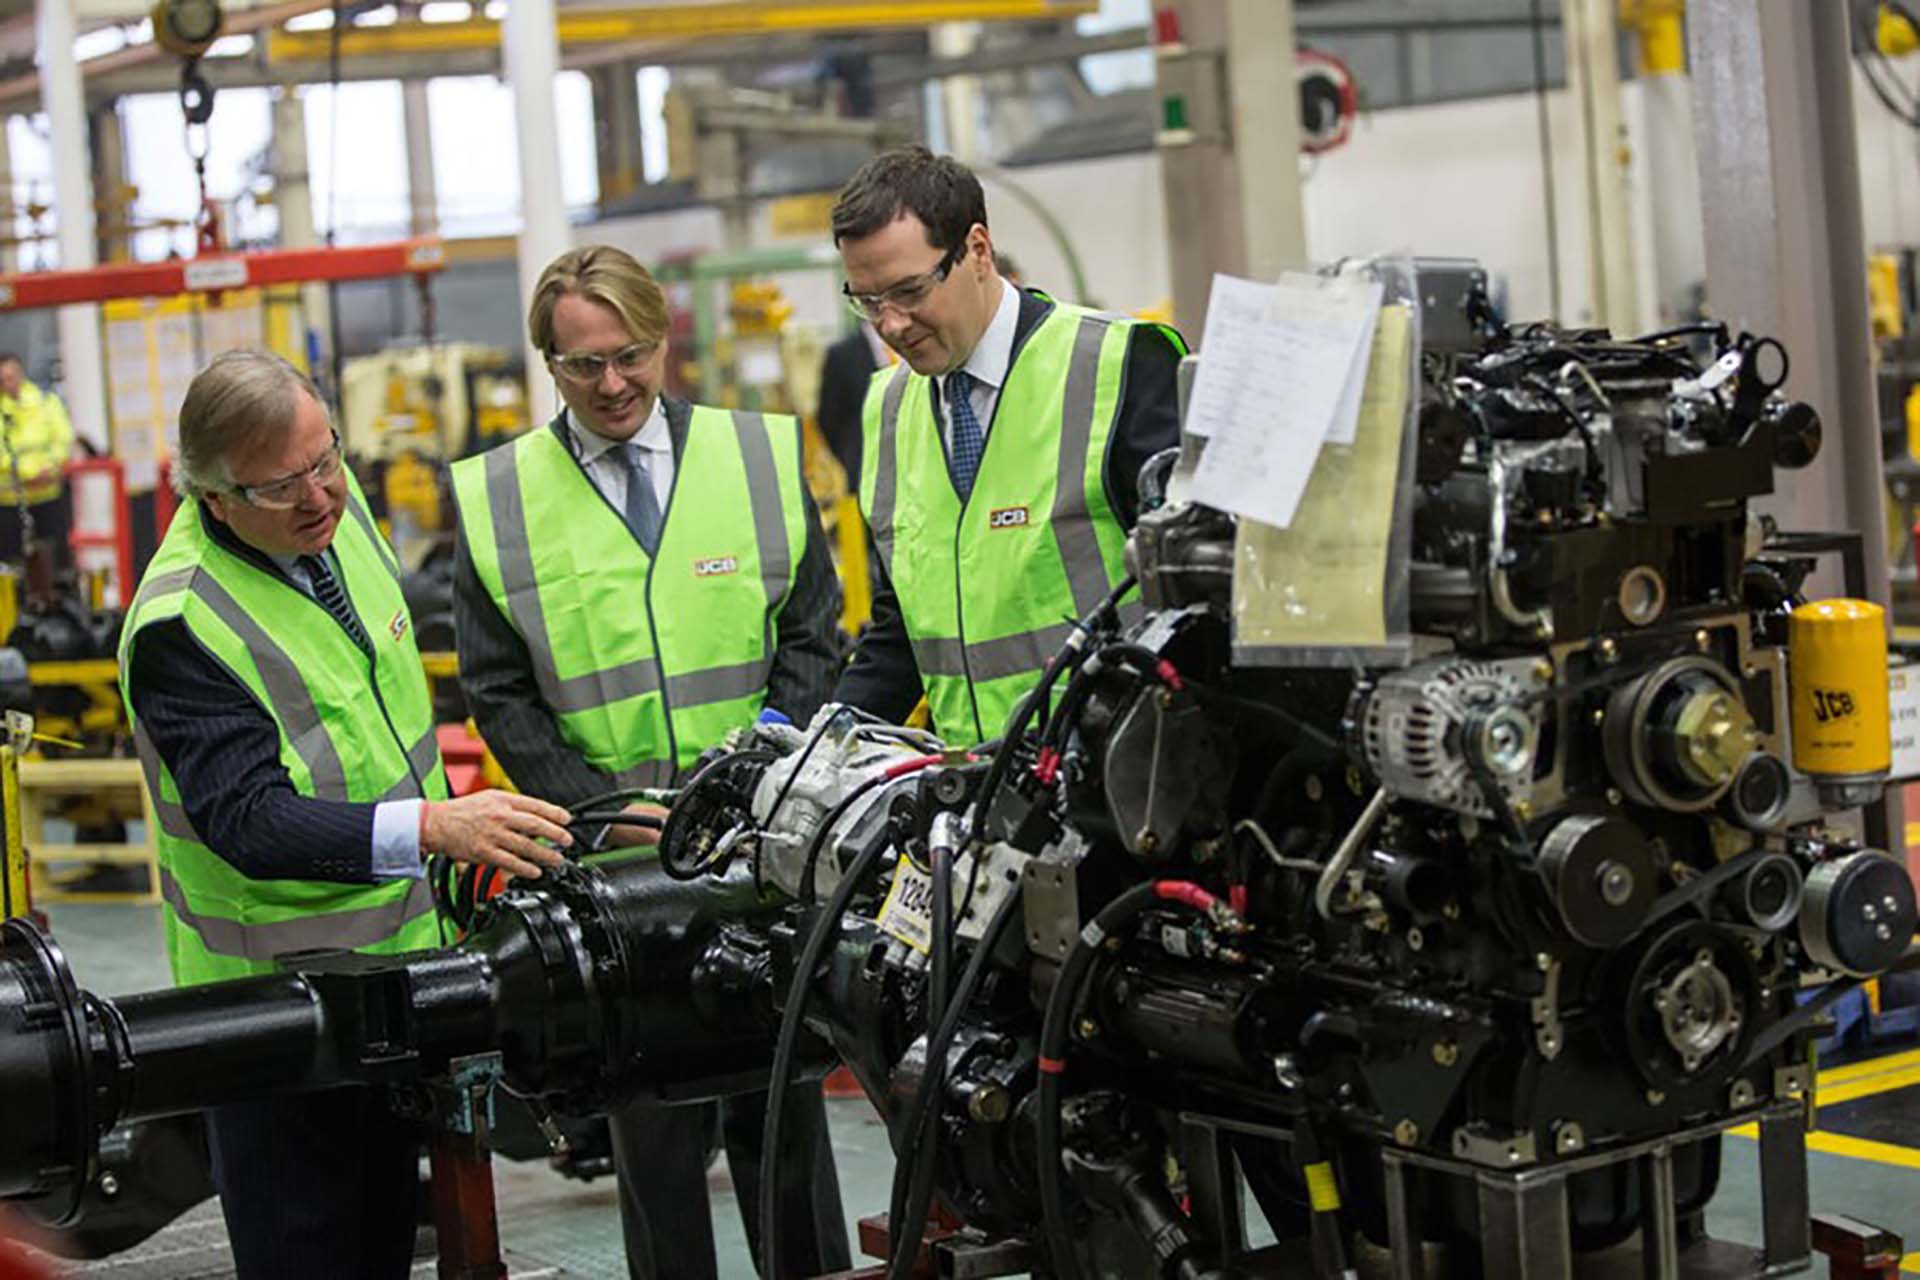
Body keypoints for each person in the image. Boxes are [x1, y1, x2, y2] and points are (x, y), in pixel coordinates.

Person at [119, 349, 575, 1280]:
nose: (319, 495)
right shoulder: (183, 624)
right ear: (212, 496)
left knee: (384, 1241)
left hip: (392, 980)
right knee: (310, 1251)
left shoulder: (338, 516)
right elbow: (247, 822)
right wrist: (432, 830)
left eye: (327, 460)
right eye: (282, 485)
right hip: (272, 1022)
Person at [449, 244, 849, 1280]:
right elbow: (498, 690)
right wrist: (603, 813)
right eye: (584, 366)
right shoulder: (500, 497)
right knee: (653, 1140)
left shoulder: (760, 455)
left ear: (663, 337)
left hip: (761, 846)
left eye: (629, 355)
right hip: (615, 872)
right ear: (549, 363)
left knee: (785, 1120)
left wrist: (761, 777)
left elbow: (813, 632)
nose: (614, 384)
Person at [829, 147, 1186, 744]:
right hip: (972, 801)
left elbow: (1192, 594)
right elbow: (902, 629)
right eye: (868, 303)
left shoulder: (1117, 366)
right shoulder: (888, 409)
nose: (890, 325)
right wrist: (822, 747)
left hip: (1121, 783)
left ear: (977, 250)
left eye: (910, 291)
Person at [0, 354, 74, 567]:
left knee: (57, 561)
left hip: (48, 496)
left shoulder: (46, 402)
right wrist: (27, 474)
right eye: (2, 380)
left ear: (21, 375)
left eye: (11, 377)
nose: (7, 384)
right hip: (9, 503)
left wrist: (48, 469)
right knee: (12, 566)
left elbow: (63, 439)